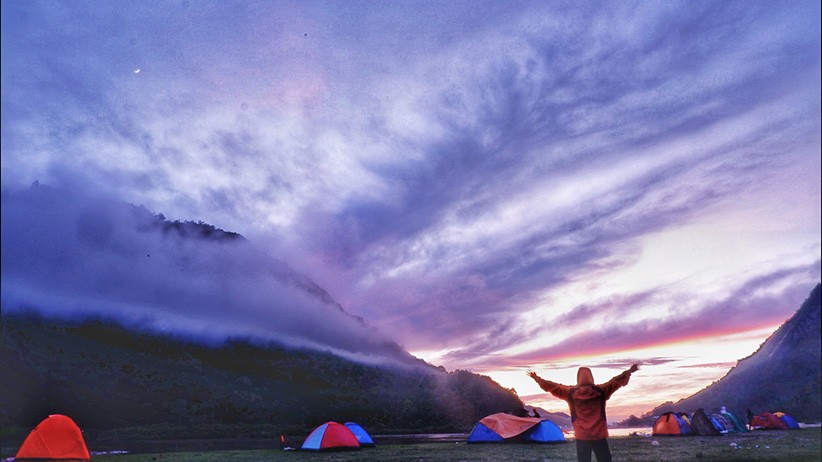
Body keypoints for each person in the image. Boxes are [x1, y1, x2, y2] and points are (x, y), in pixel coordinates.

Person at [528, 364, 639, 462]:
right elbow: (615, 381)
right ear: (591, 377)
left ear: (578, 378)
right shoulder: (601, 391)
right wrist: (629, 371)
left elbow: (552, 386)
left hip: (582, 435)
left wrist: (537, 378)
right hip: (599, 435)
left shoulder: (570, 393)